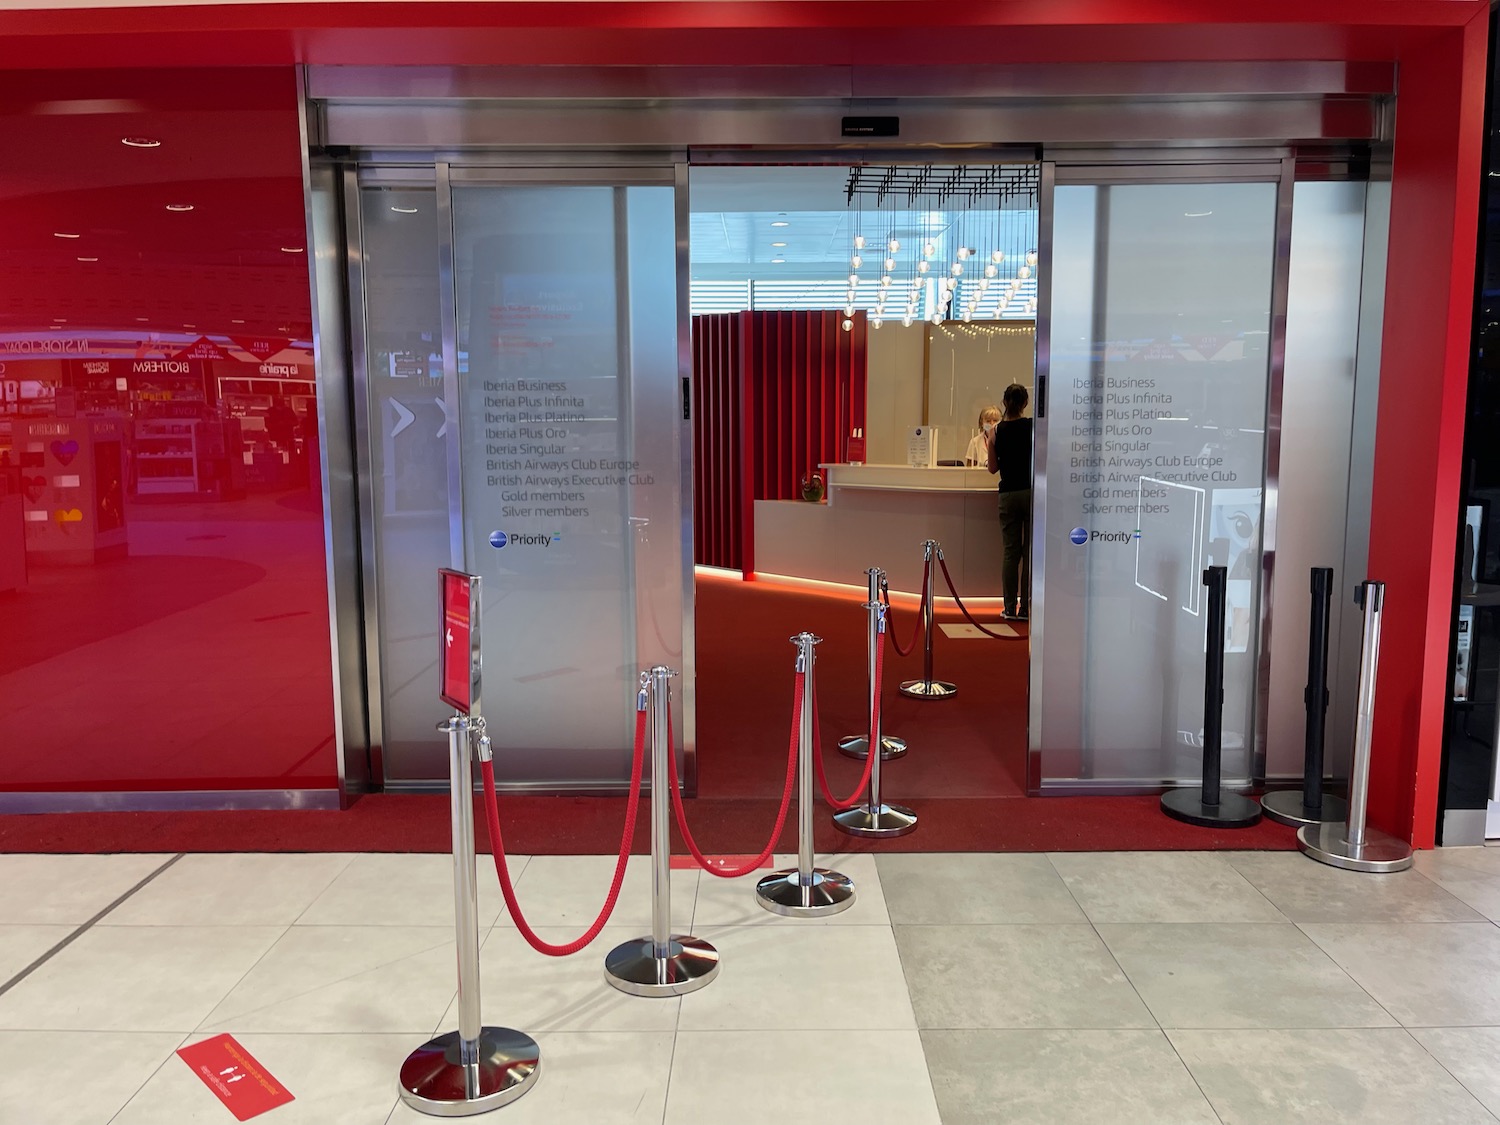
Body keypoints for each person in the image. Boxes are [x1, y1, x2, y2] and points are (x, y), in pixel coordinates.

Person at [986, 382, 1033, 620]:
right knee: (1030, 552)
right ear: (1025, 403)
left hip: (1008, 494)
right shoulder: (1034, 427)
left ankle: (1009, 607)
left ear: (1004, 402)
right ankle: (1027, 607)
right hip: (1031, 493)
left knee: (1010, 553)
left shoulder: (996, 432)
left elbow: (992, 468)